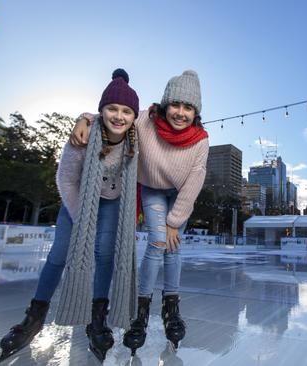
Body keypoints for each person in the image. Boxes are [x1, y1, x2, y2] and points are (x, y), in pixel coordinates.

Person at [0, 69, 140, 362]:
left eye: (127, 111)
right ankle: (35, 316)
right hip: (79, 199)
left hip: (113, 202)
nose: (119, 116)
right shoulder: (84, 135)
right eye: (112, 108)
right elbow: (66, 179)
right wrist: (82, 219)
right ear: (101, 110)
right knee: (60, 253)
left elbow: (156, 114)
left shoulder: (135, 141)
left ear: (133, 117)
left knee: (104, 255)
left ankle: (97, 317)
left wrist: (84, 114)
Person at [70, 70, 209, 355]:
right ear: (165, 104)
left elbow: (195, 181)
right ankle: (141, 311)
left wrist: (175, 221)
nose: (180, 113)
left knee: (173, 248)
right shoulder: (146, 121)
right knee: (157, 243)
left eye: (188, 107)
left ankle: (171, 308)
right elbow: (117, 116)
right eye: (176, 105)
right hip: (153, 189)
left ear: (195, 112)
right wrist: (82, 119)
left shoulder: (200, 140)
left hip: (180, 195)